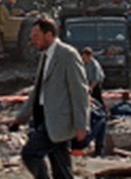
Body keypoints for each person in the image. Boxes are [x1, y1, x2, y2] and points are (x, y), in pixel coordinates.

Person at [11, 18, 89, 179]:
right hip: (45, 119)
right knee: (62, 170)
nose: (33, 41)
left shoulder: (67, 55)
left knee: (30, 153)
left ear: (49, 35)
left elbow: (79, 91)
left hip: (59, 120)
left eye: (36, 36)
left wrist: (81, 124)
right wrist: (20, 118)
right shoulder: (45, 56)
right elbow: (38, 90)